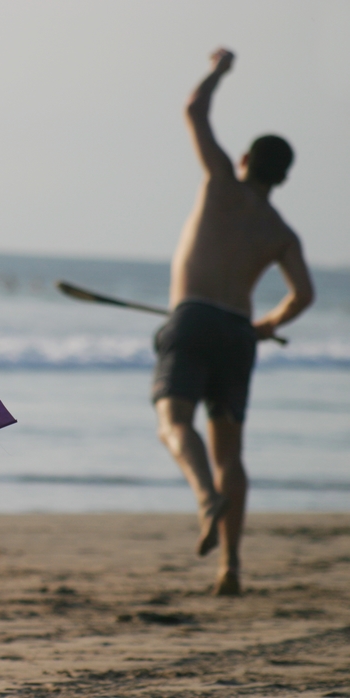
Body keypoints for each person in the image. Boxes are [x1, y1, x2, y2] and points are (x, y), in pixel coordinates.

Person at [152, 48, 314, 596]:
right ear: (284, 178)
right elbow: (304, 296)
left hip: (192, 319)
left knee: (174, 422)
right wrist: (265, 327)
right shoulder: (281, 231)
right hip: (237, 335)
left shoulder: (222, 181)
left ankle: (203, 496)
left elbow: (195, 110)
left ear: (245, 158)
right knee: (232, 455)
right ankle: (232, 568)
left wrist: (220, 70)